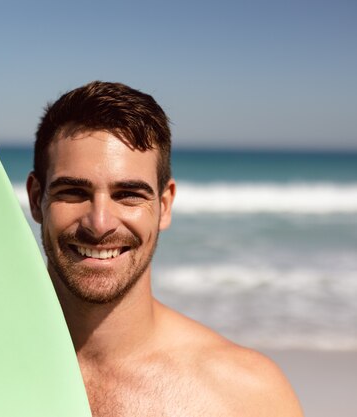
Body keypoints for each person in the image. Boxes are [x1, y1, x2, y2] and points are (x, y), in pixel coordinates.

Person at [26, 81, 303, 417]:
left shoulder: (246, 397)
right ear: (35, 199)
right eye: (72, 191)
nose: (99, 224)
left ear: (165, 205)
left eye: (128, 194)